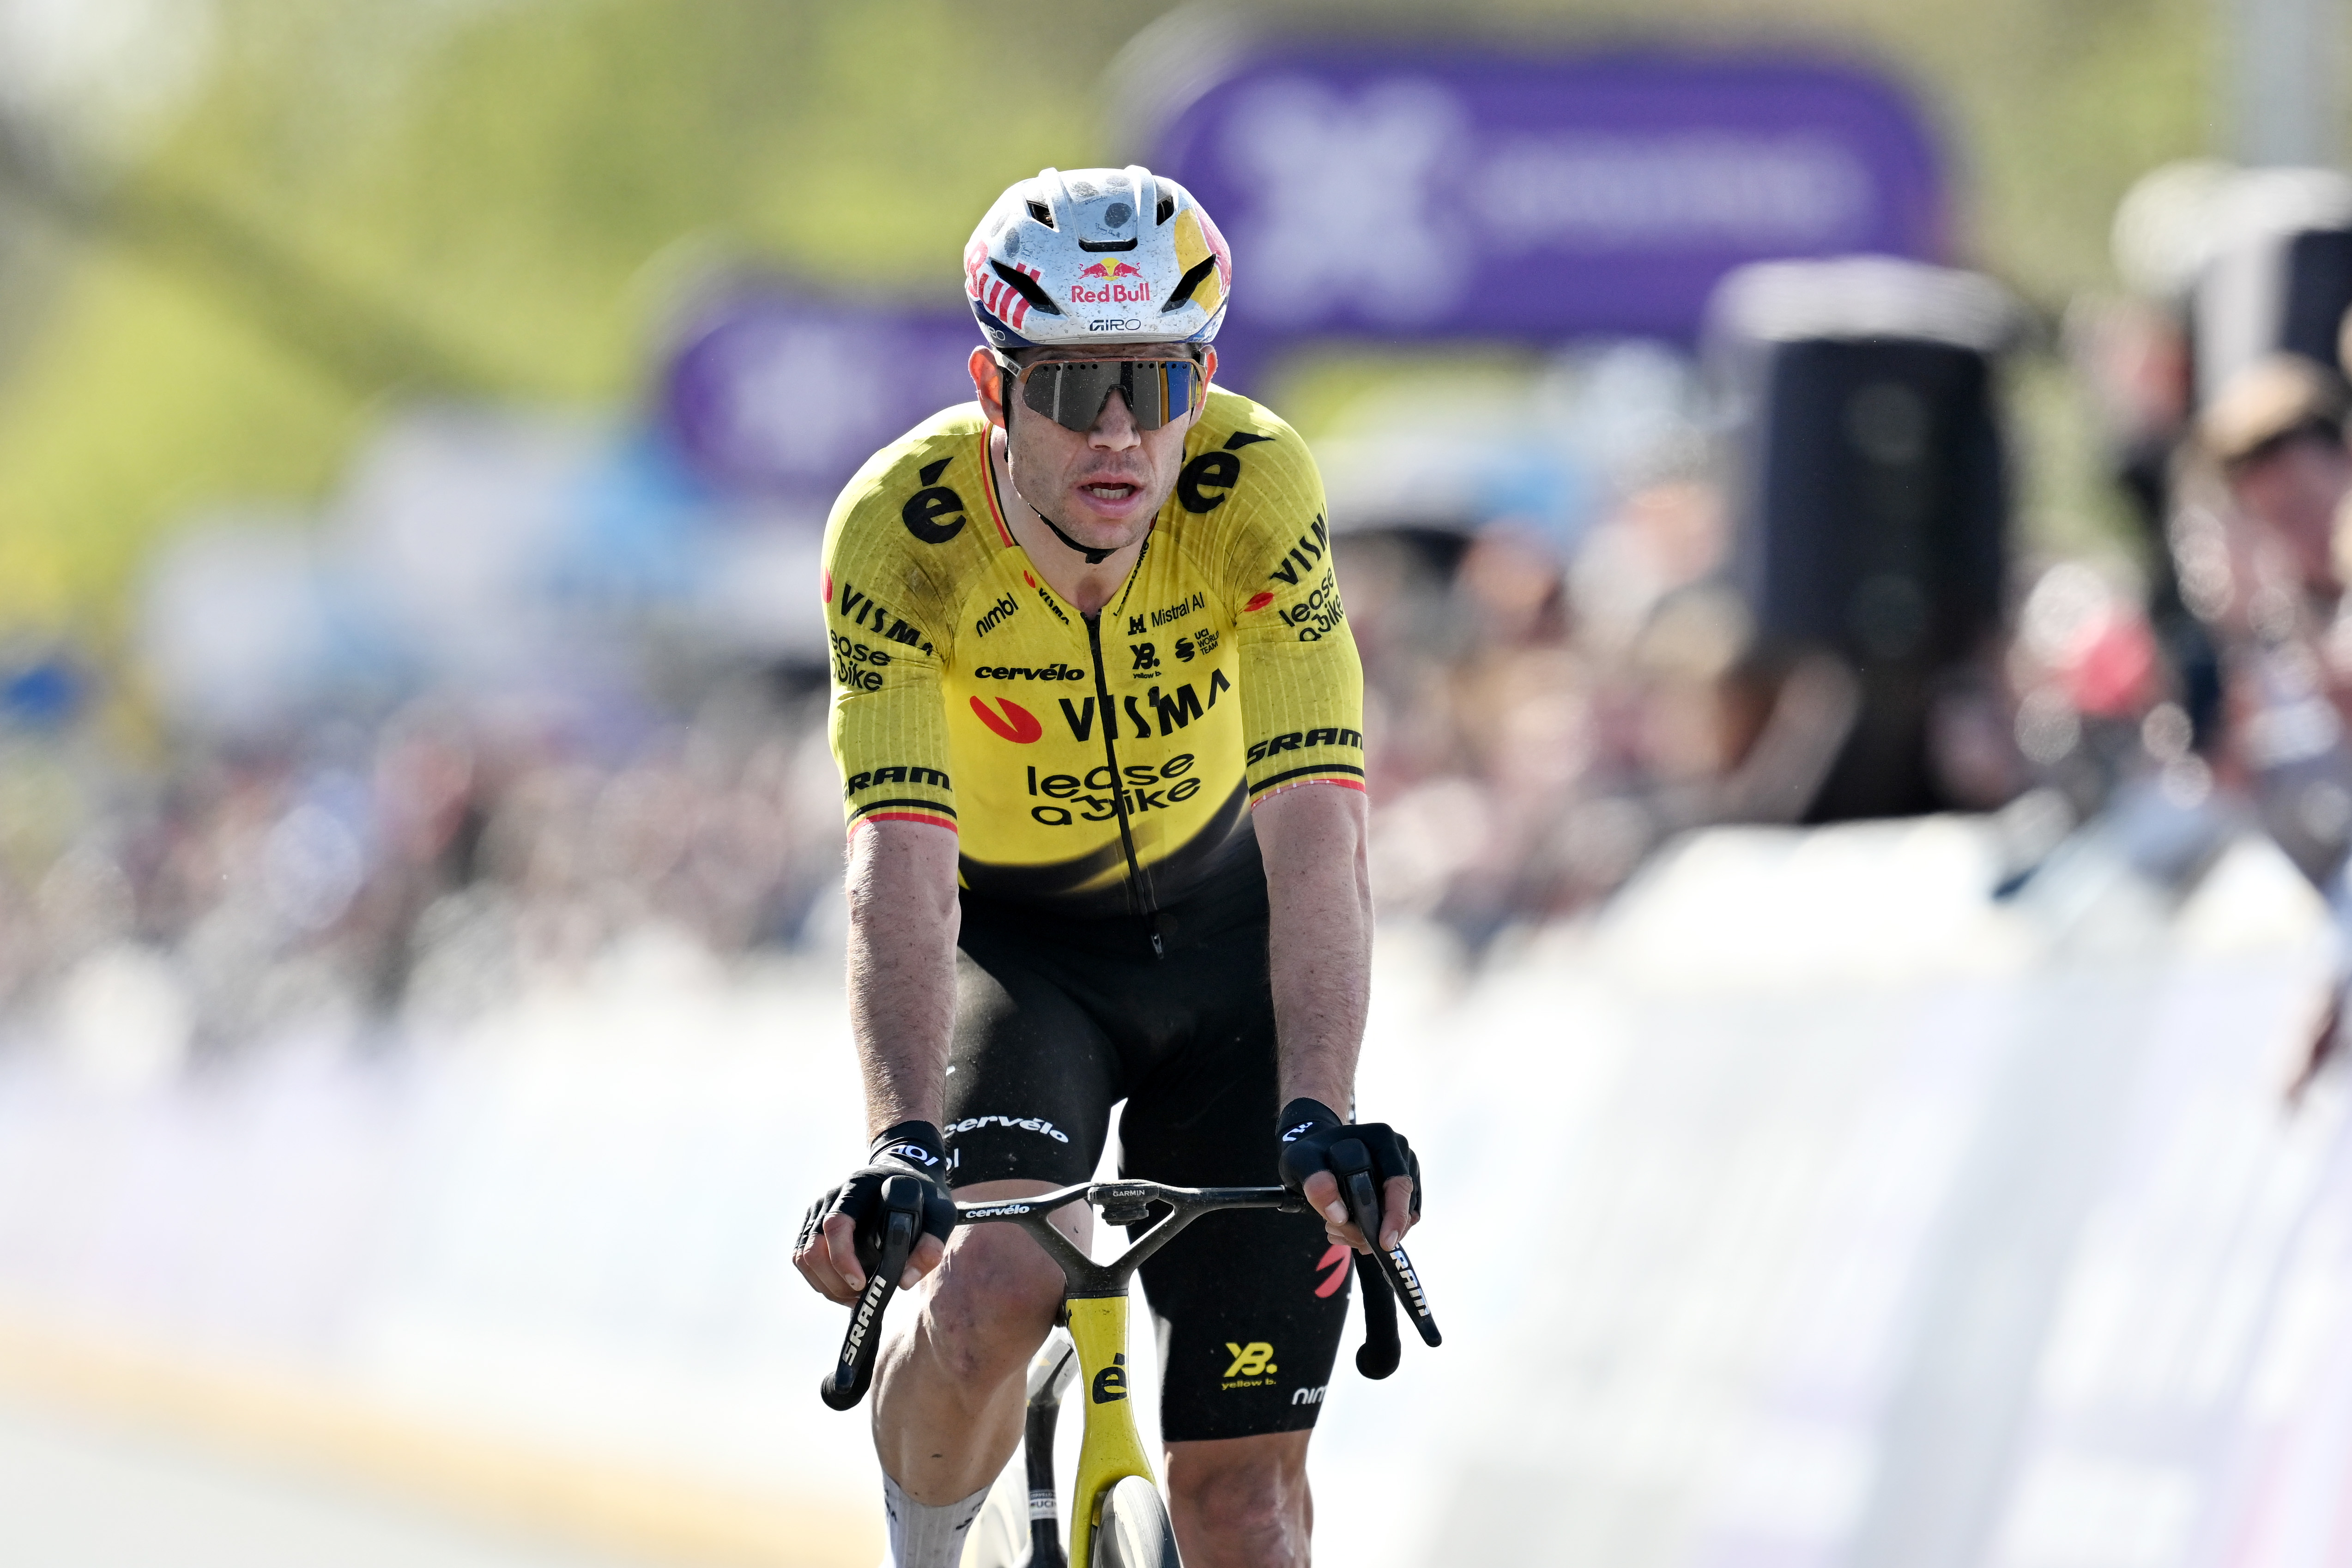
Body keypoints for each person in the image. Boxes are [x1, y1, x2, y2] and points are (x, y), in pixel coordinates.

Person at [790, 165, 1422, 1568]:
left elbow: (1320, 822)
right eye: (1078, 389)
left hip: (1229, 949)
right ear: (993, 387)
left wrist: (1325, 1105)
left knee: (1245, 1510)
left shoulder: (1256, 488)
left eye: (1158, 380)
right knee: (988, 1293)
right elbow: (900, 855)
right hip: (1024, 956)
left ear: (1206, 382)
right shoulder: (901, 530)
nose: (1123, 431)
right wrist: (901, 1140)